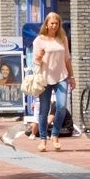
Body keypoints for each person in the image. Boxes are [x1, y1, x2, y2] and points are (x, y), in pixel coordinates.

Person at [31, 12, 72, 151]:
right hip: (45, 77)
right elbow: (35, 62)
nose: (54, 26)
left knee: (61, 106)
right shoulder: (39, 40)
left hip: (61, 76)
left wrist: (71, 77)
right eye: (52, 23)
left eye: (57, 23)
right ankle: (43, 139)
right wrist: (40, 55)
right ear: (47, 24)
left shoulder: (62, 39)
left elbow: (67, 59)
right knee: (44, 109)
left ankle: (55, 135)